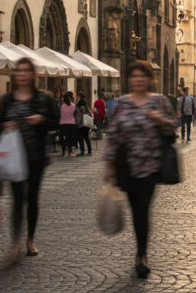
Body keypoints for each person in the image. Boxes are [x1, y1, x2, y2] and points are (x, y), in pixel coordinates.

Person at [104, 61, 177, 278]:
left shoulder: (159, 101)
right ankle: (140, 249)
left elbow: (173, 125)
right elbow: (114, 135)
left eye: (142, 76)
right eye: (134, 76)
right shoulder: (121, 104)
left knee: (142, 209)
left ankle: (141, 254)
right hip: (126, 166)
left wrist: (160, 119)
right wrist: (108, 164)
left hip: (151, 165)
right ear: (130, 79)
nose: (138, 79)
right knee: (135, 209)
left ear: (149, 79)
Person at [0, 58, 59, 264]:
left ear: (32, 75)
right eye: (19, 71)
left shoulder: (43, 98)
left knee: (32, 199)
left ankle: (30, 240)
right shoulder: (8, 99)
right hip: (14, 157)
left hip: (35, 157)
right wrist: (5, 125)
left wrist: (41, 120)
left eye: (26, 71)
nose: (22, 74)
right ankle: (15, 243)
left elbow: (54, 121)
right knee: (17, 201)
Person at [58, 92, 78, 158]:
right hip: (71, 123)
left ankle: (63, 152)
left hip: (63, 123)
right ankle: (70, 152)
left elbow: (59, 114)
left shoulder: (61, 106)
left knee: (64, 138)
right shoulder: (73, 105)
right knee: (70, 139)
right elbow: (75, 114)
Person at [75, 91, 92, 156]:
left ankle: (82, 152)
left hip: (82, 122)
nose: (76, 97)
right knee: (86, 137)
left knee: (81, 138)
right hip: (86, 123)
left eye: (76, 96)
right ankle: (89, 152)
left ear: (79, 96)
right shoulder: (85, 102)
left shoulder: (80, 102)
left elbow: (82, 110)